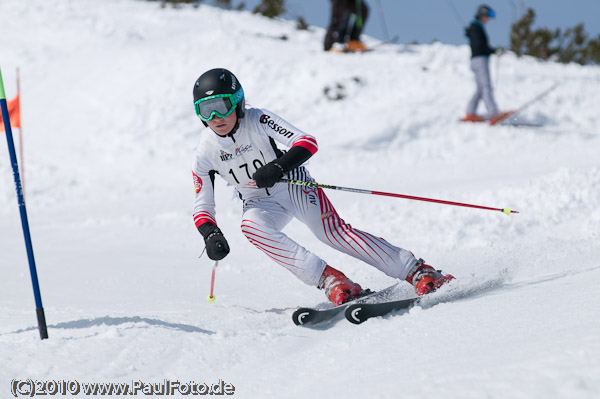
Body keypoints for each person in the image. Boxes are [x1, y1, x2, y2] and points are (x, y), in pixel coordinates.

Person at [191, 68, 453, 306]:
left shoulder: (257, 119)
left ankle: (417, 271)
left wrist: (278, 167)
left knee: (330, 232)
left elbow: (306, 141)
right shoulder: (205, 151)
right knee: (251, 227)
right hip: (258, 202)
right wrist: (210, 234)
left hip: (292, 183)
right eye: (206, 110)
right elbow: (202, 206)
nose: (216, 117)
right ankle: (332, 280)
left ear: (237, 102)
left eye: (222, 106)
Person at [463, 4, 513, 125]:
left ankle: (470, 113)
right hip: (480, 60)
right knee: (486, 87)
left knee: (480, 88)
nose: (488, 19)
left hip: (475, 60)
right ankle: (494, 114)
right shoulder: (476, 27)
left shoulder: (475, 27)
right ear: (482, 14)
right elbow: (481, 46)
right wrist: (494, 51)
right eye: (488, 16)